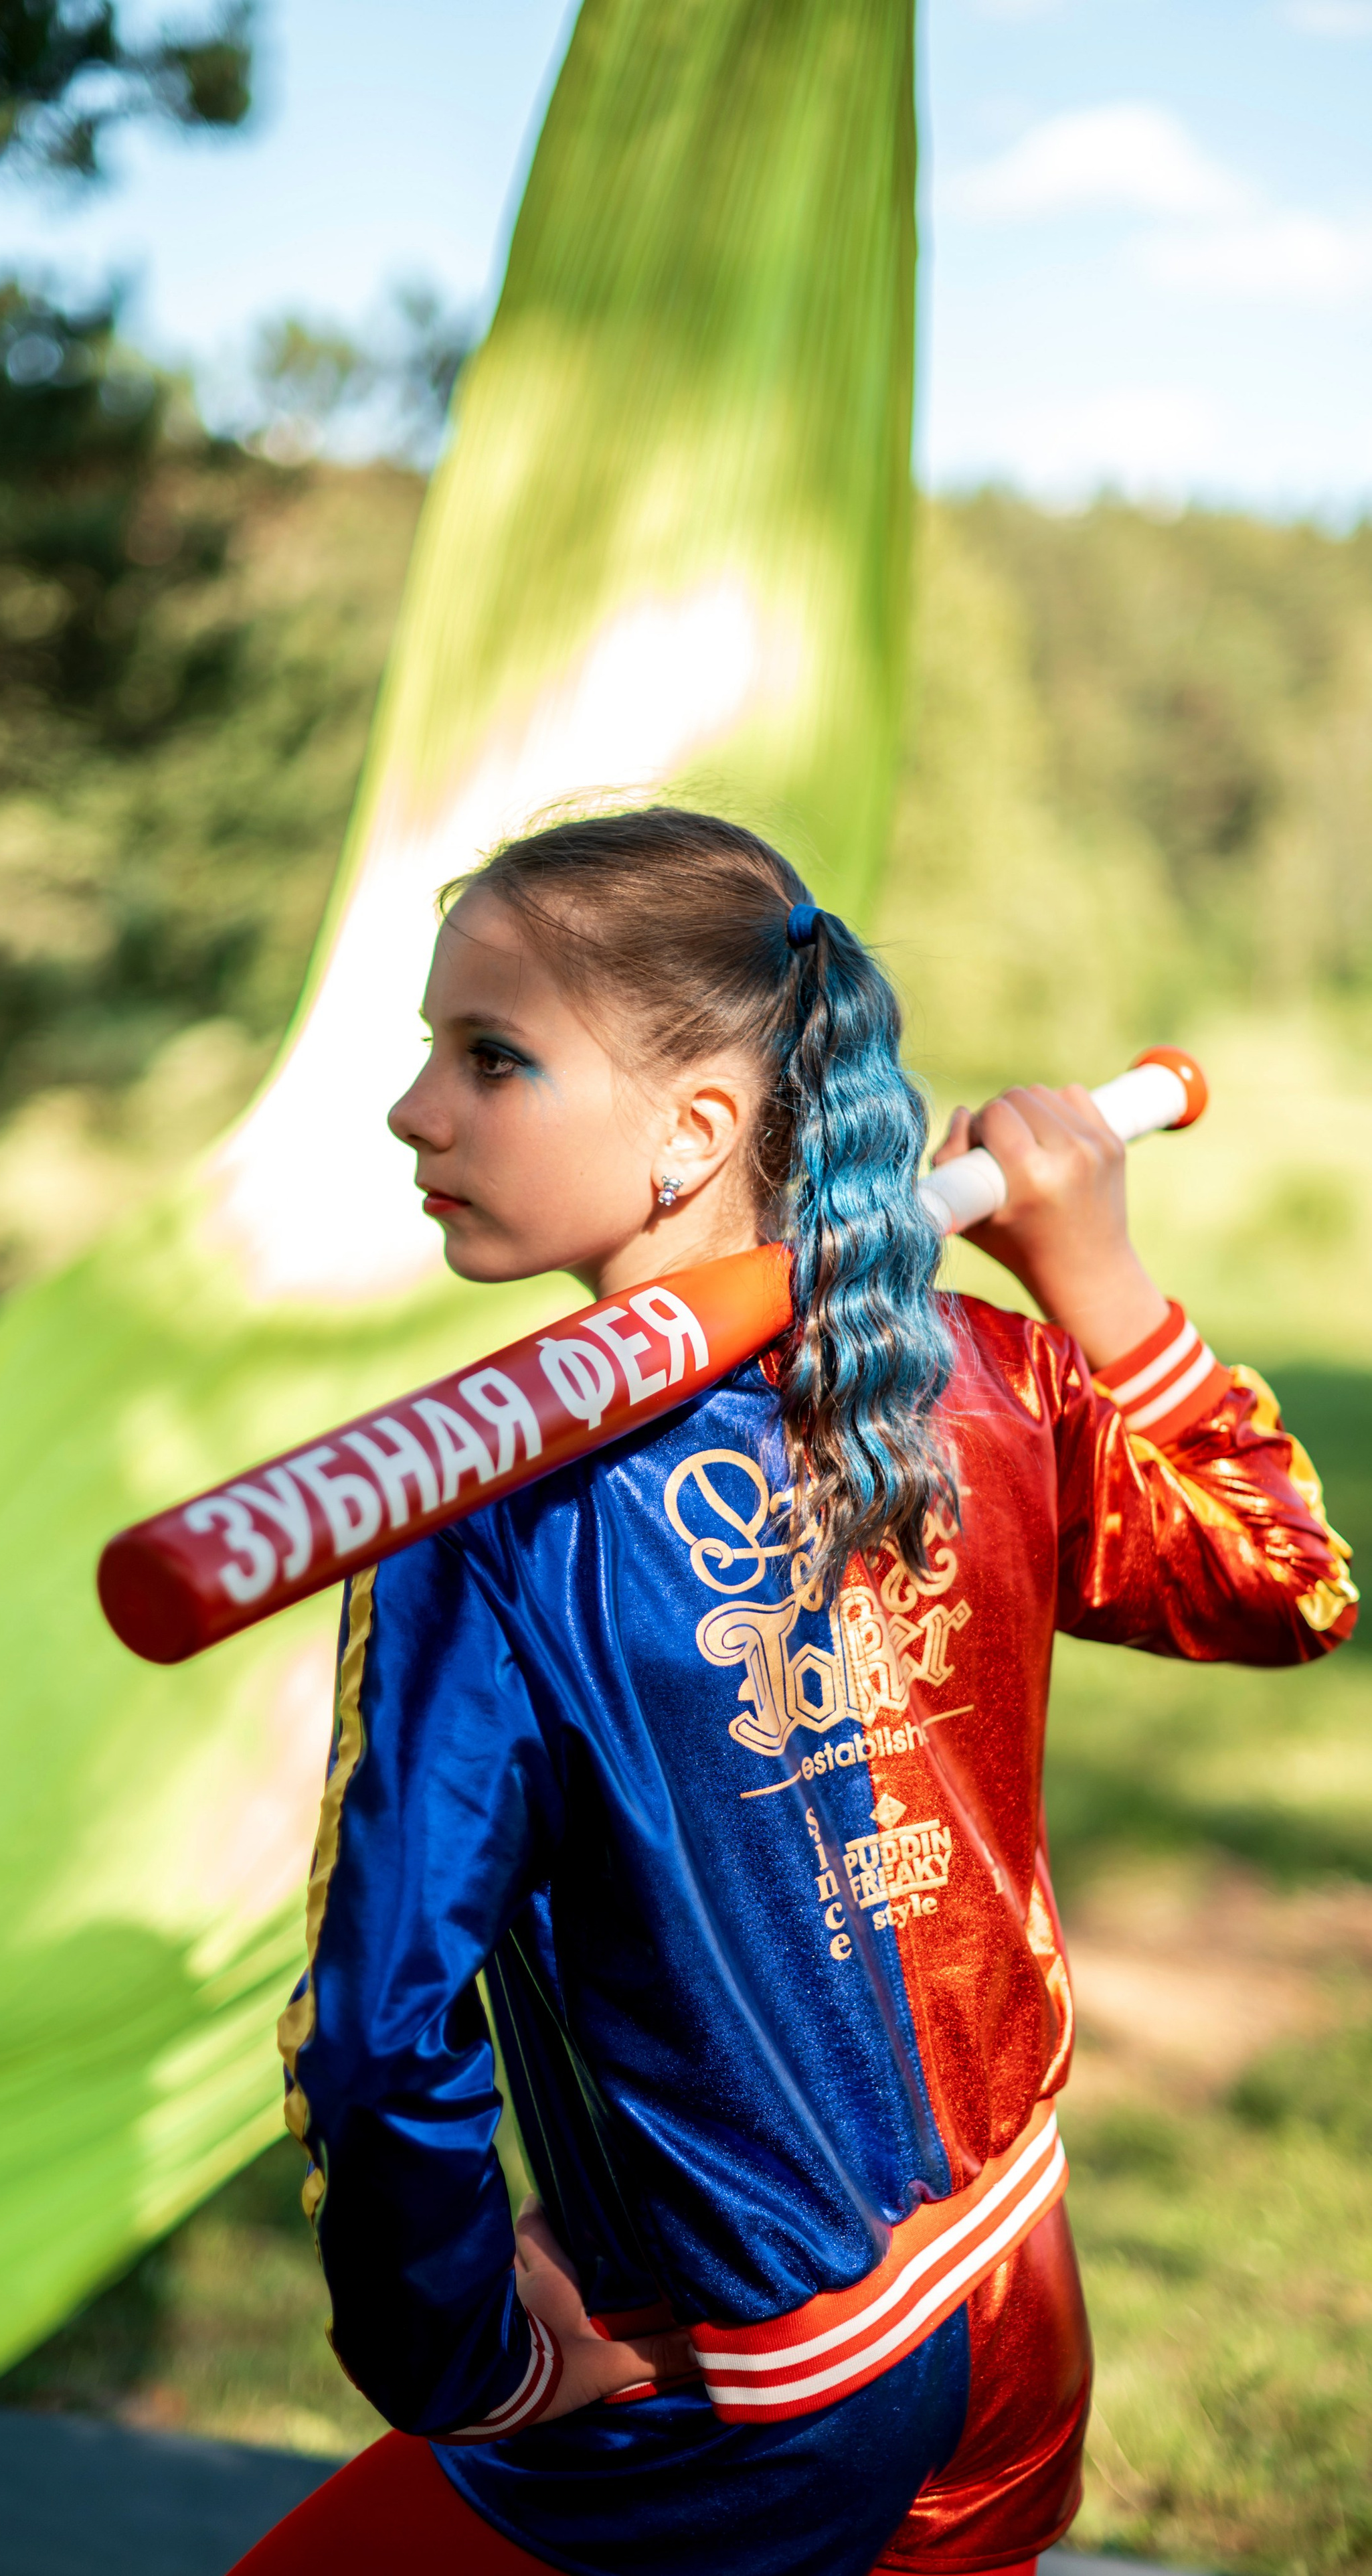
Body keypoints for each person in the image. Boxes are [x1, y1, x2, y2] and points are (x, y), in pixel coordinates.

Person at [233, 809, 1355, 2576]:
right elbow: (1292, 1571)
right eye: (432, 1051)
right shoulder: (985, 1381)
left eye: (492, 1059)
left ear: (694, 1135)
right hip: (1017, 2293)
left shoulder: (494, 1526)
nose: (415, 1110)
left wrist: (470, 2360)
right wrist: (1095, 1282)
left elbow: (383, 2034)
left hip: (746, 2391)